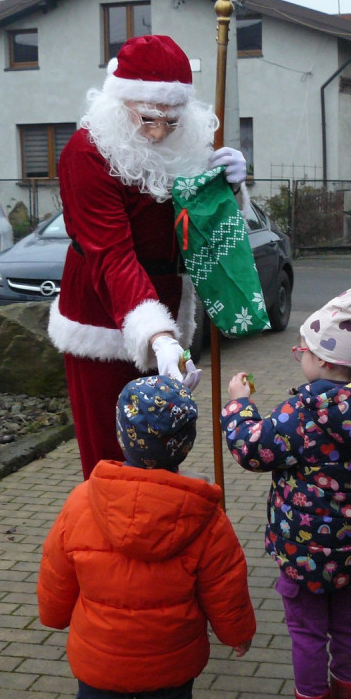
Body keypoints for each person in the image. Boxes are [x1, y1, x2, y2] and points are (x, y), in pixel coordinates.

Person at [48, 33, 249, 479]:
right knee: (111, 461)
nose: (159, 132)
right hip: (100, 316)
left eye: (172, 122)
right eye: (148, 119)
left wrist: (227, 185)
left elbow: (200, 225)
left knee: (160, 452)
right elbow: (110, 255)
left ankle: (159, 538)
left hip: (163, 309)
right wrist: (159, 337)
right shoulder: (85, 154)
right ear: (121, 103)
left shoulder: (184, 145)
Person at [221, 286, 351, 699]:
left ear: (320, 358)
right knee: (348, 624)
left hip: (304, 553)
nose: (297, 353)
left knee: (306, 632)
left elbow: (251, 449)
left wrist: (239, 405)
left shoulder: (302, 413)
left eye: (301, 348)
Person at [37, 375, 256, 699]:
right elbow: (225, 584)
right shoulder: (205, 516)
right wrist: (237, 633)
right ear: (186, 444)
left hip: (99, 663)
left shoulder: (81, 502)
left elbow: (57, 572)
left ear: (122, 436)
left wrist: (53, 615)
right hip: (171, 665)